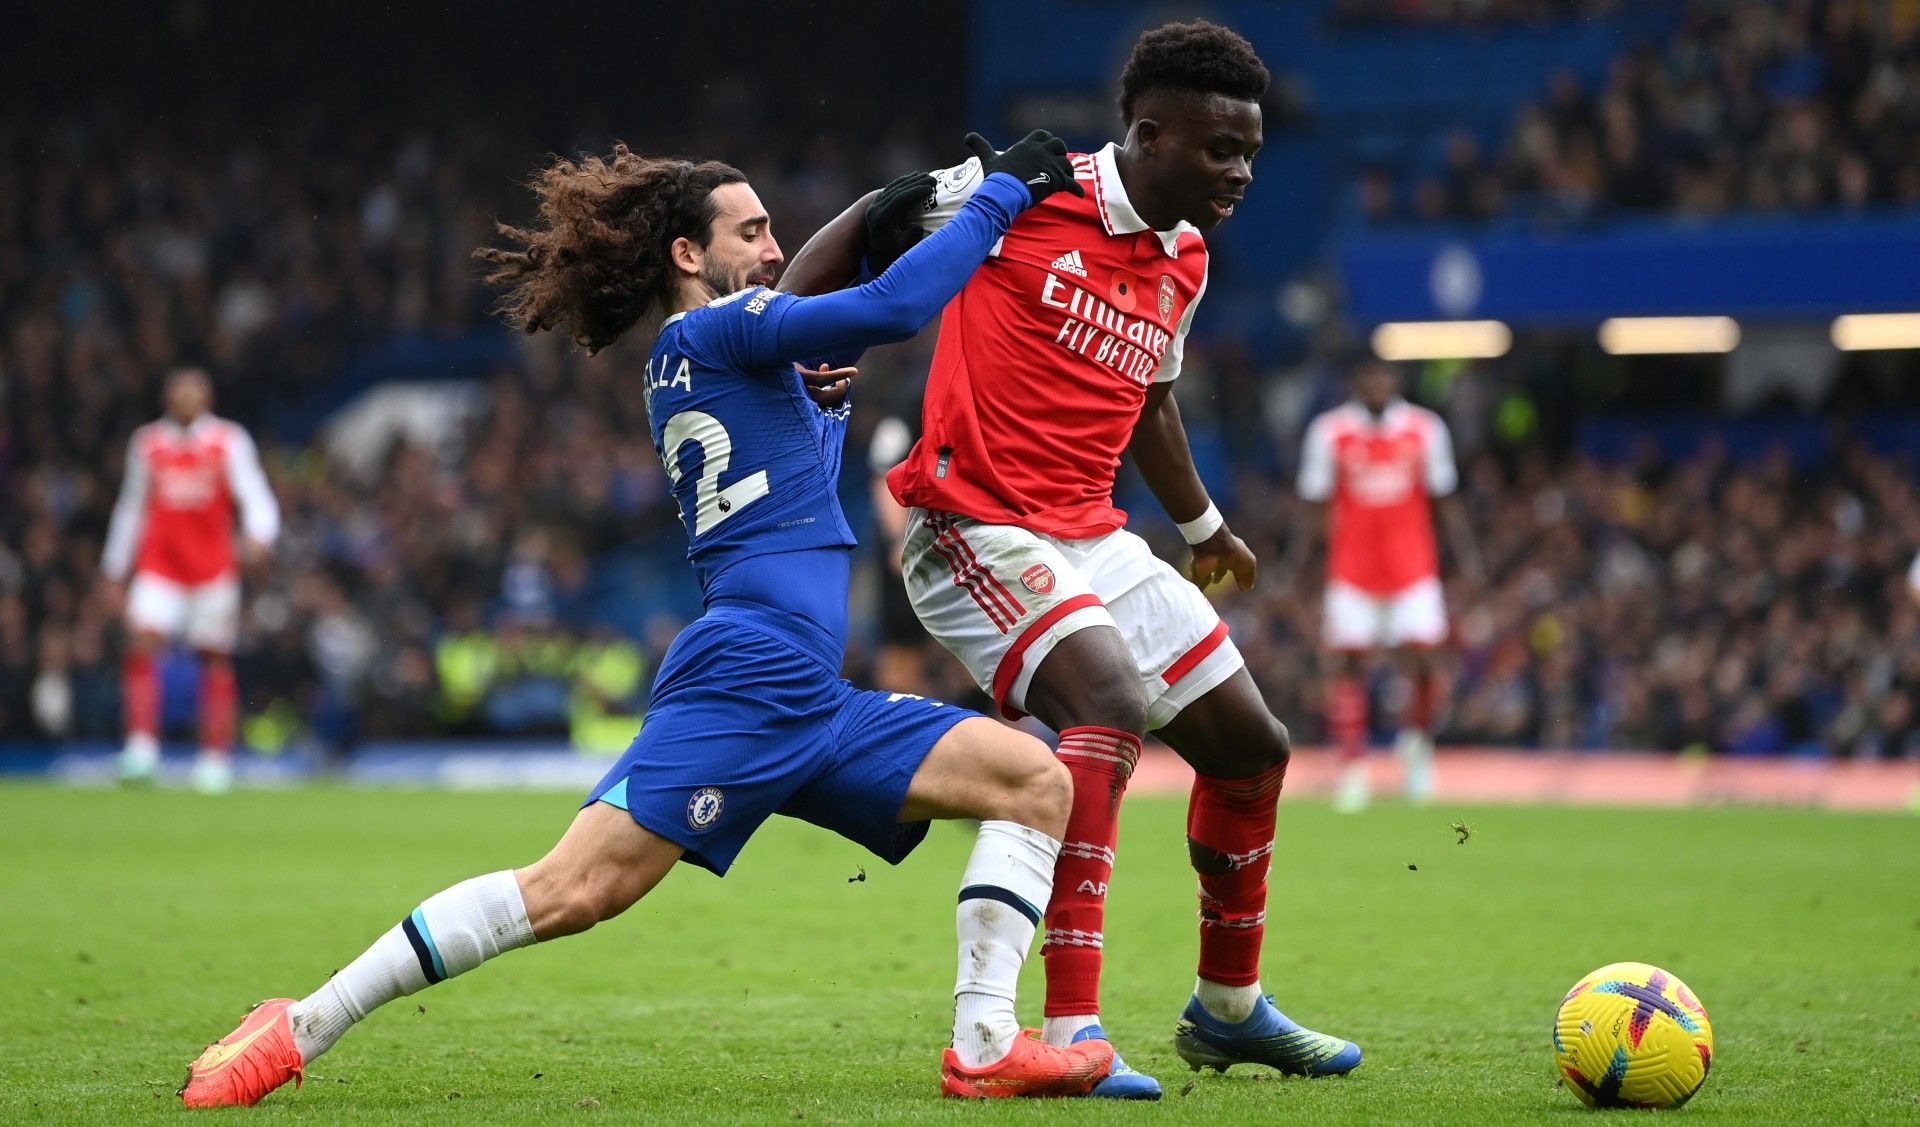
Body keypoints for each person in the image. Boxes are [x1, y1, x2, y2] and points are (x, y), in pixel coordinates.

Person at [177, 133, 1115, 1108]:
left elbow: (833, 288)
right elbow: (893, 306)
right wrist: (1000, 193)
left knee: (1032, 780)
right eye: (748, 231)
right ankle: (298, 1025)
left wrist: (905, 199)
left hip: (810, 694)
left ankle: (984, 1041)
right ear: (685, 254)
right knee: (573, 891)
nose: (768, 245)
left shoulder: (730, 350)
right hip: (748, 675)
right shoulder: (719, 331)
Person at [781, 20, 1360, 1097]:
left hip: (1093, 535)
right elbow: (871, 220)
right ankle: (1072, 1020)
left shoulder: (1185, 254)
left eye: (1251, 152)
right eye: (1220, 149)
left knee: (1254, 746)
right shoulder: (1023, 192)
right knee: (1105, 696)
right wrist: (790, 337)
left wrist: (1199, 526)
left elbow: (1150, 394)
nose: (1241, 173)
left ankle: (1227, 1010)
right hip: (971, 525)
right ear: (1148, 131)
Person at [1291, 359, 1482, 813]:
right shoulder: (1329, 432)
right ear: (1357, 381)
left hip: (1412, 568)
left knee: (1425, 662)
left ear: (1394, 382)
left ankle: (1416, 744)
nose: (1377, 383)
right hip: (1352, 570)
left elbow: (1444, 500)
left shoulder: (1424, 429)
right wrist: (1295, 565)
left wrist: (1468, 558)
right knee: (1347, 665)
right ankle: (1354, 768)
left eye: (1384, 376)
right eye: (1369, 376)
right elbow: (1313, 506)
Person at [102, 367, 279, 795]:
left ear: (208, 398)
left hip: (213, 567)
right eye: (179, 391)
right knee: (142, 643)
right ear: (167, 398)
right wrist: (113, 567)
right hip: (160, 565)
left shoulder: (227, 441)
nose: (186, 399)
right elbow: (131, 506)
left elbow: (254, 492)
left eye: (194, 391)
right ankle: (142, 750)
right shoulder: (148, 444)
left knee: (213, 656)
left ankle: (214, 760)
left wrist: (260, 534)